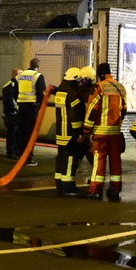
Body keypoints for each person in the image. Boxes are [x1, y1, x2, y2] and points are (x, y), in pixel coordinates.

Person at [82, 63, 127, 201]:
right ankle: (115, 188)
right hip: (115, 133)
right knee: (115, 159)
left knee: (99, 160)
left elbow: (92, 109)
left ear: (100, 74)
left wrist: (86, 129)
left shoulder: (99, 87)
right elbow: (124, 109)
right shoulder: (120, 87)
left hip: (101, 133)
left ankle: (95, 189)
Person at [52, 67, 86, 195]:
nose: (80, 84)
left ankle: (60, 185)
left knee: (61, 158)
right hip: (71, 133)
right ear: (75, 80)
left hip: (61, 133)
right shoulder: (73, 95)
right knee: (71, 159)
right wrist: (79, 133)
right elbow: (75, 116)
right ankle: (68, 186)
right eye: (79, 82)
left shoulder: (60, 93)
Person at [15, 58, 46, 166]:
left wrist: (19, 101)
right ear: (38, 66)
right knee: (30, 134)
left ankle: (20, 155)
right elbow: (41, 94)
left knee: (21, 132)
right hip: (32, 108)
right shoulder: (38, 76)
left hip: (21, 107)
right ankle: (28, 158)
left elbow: (15, 91)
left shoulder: (20, 75)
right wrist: (40, 106)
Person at [2, 68, 21, 159]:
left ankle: (16, 151)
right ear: (15, 75)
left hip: (17, 113)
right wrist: (13, 111)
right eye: (20, 75)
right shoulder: (10, 85)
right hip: (11, 113)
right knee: (12, 134)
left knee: (17, 133)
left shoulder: (17, 85)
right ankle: (10, 152)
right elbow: (8, 100)